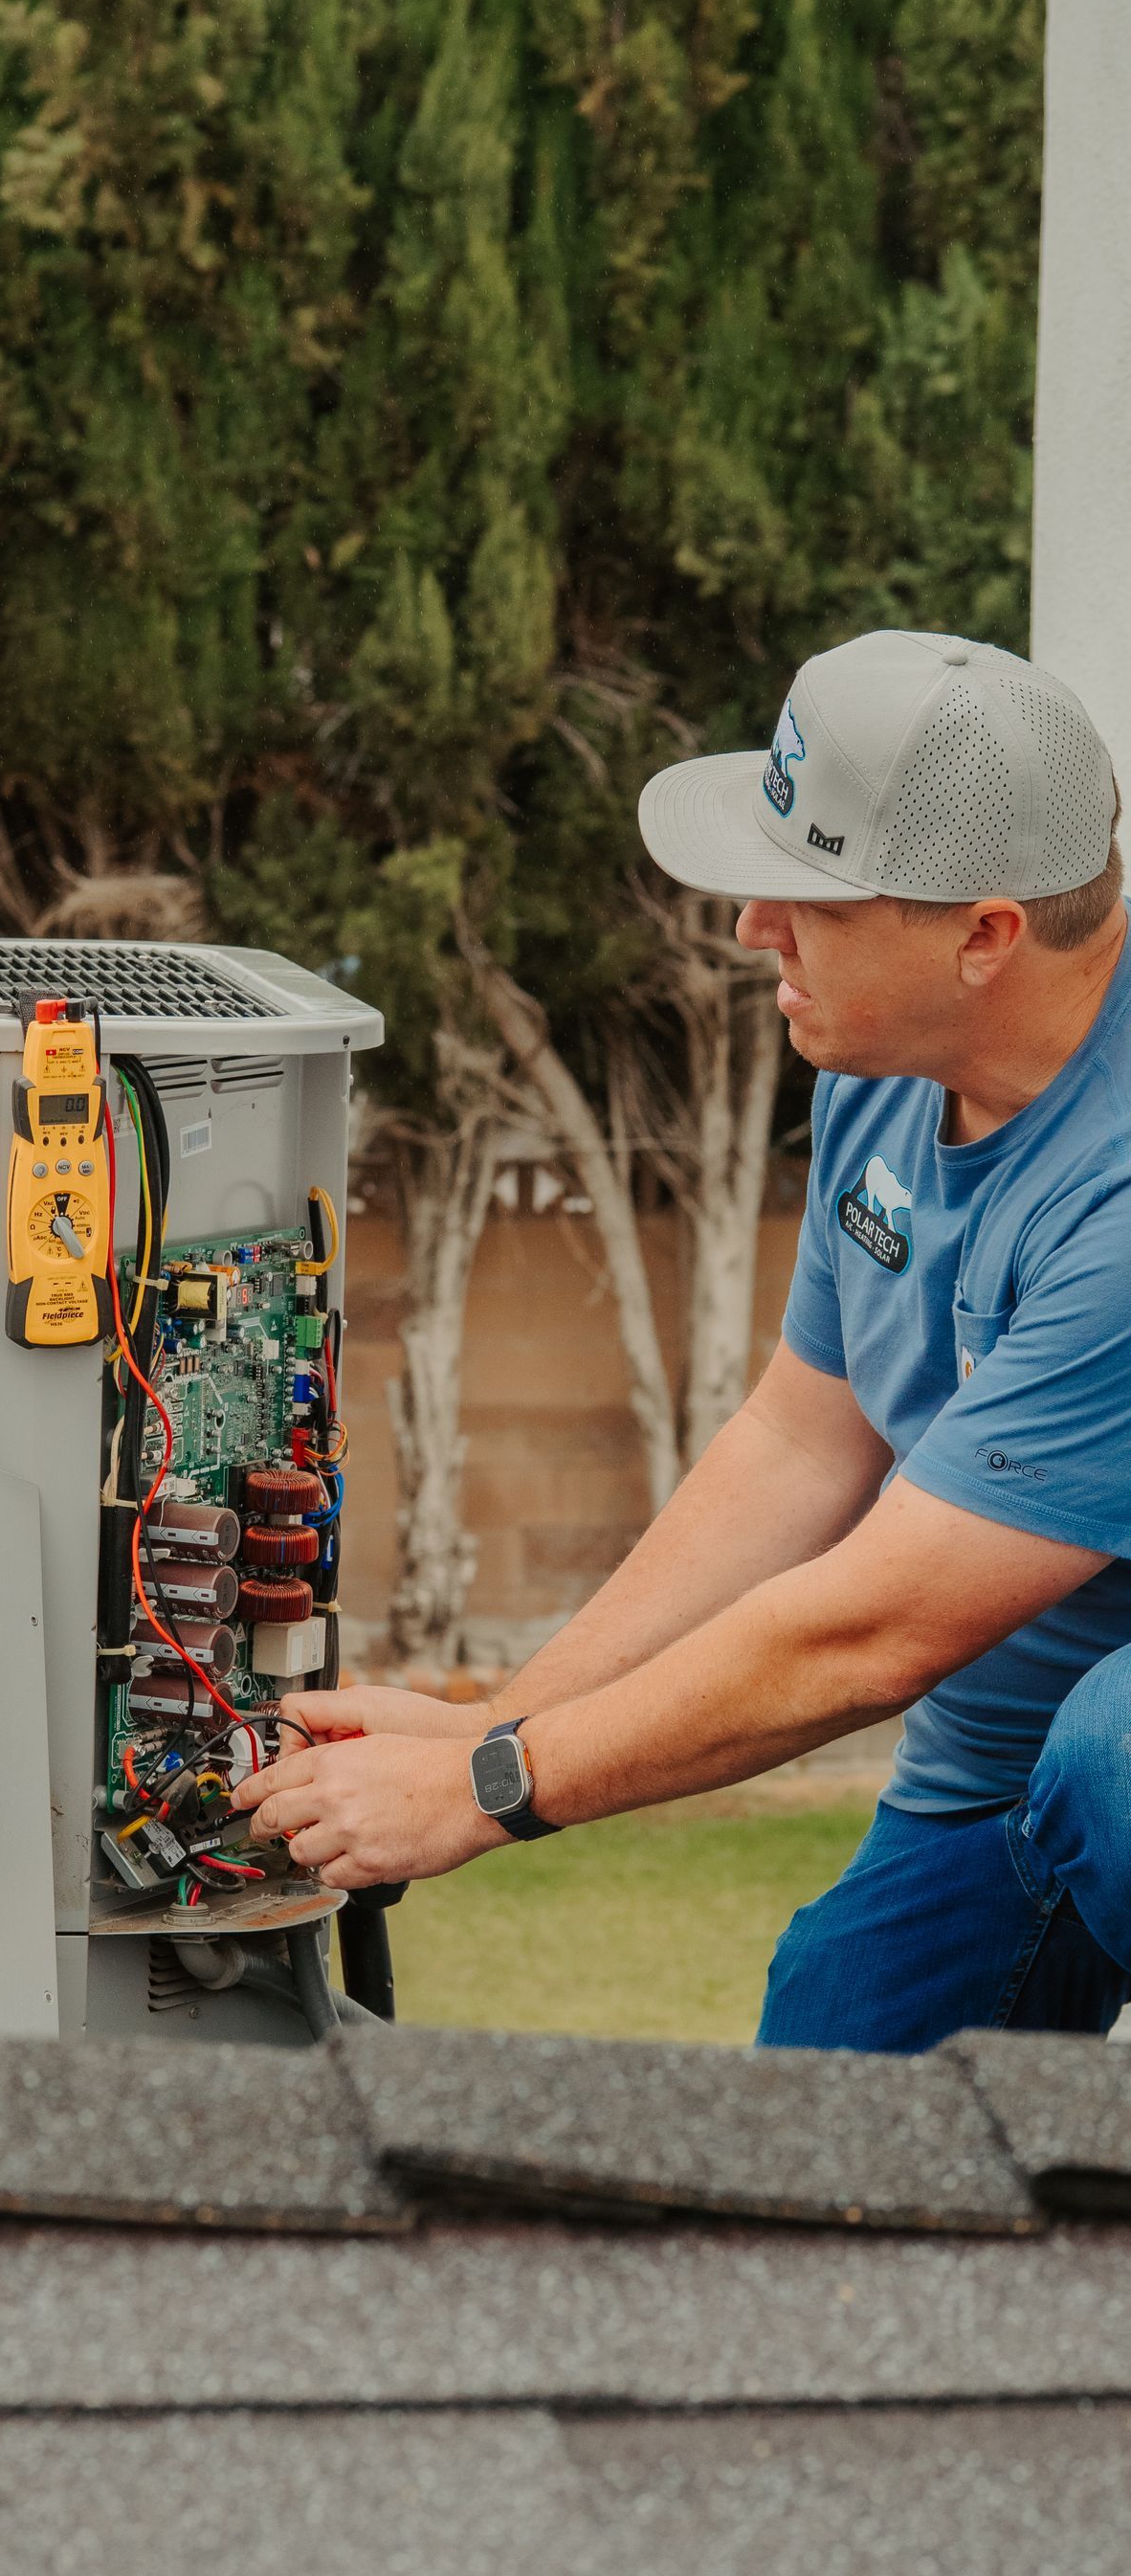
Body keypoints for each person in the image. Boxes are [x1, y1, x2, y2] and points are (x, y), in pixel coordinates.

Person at [233, 628, 1131, 2052]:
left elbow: (878, 1628)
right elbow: (795, 1446)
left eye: (809, 901)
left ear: (985, 934)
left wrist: (490, 1789)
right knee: (824, 2111)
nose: (748, 933)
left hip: (1101, 1755)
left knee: (1120, 1756)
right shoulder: (889, 1077)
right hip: (995, 1776)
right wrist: (501, 1720)